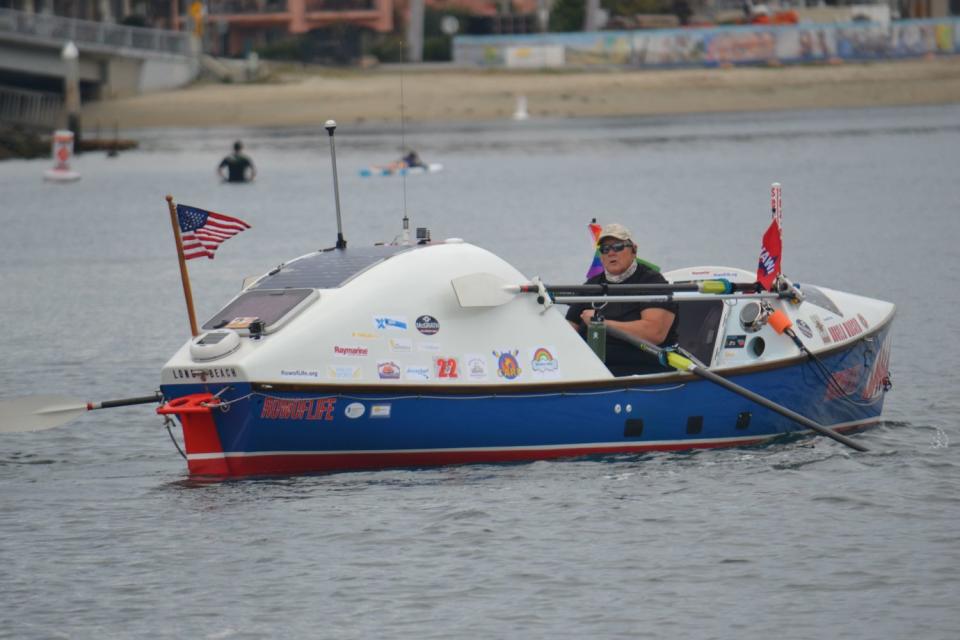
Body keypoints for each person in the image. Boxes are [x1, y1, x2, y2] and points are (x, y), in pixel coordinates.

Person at [565, 223, 679, 376]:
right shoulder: (592, 285)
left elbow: (654, 333)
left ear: (634, 250)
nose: (611, 253)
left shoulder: (651, 281)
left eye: (617, 246)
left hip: (642, 374)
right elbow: (567, 332)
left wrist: (600, 323)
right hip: (593, 372)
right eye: (605, 249)